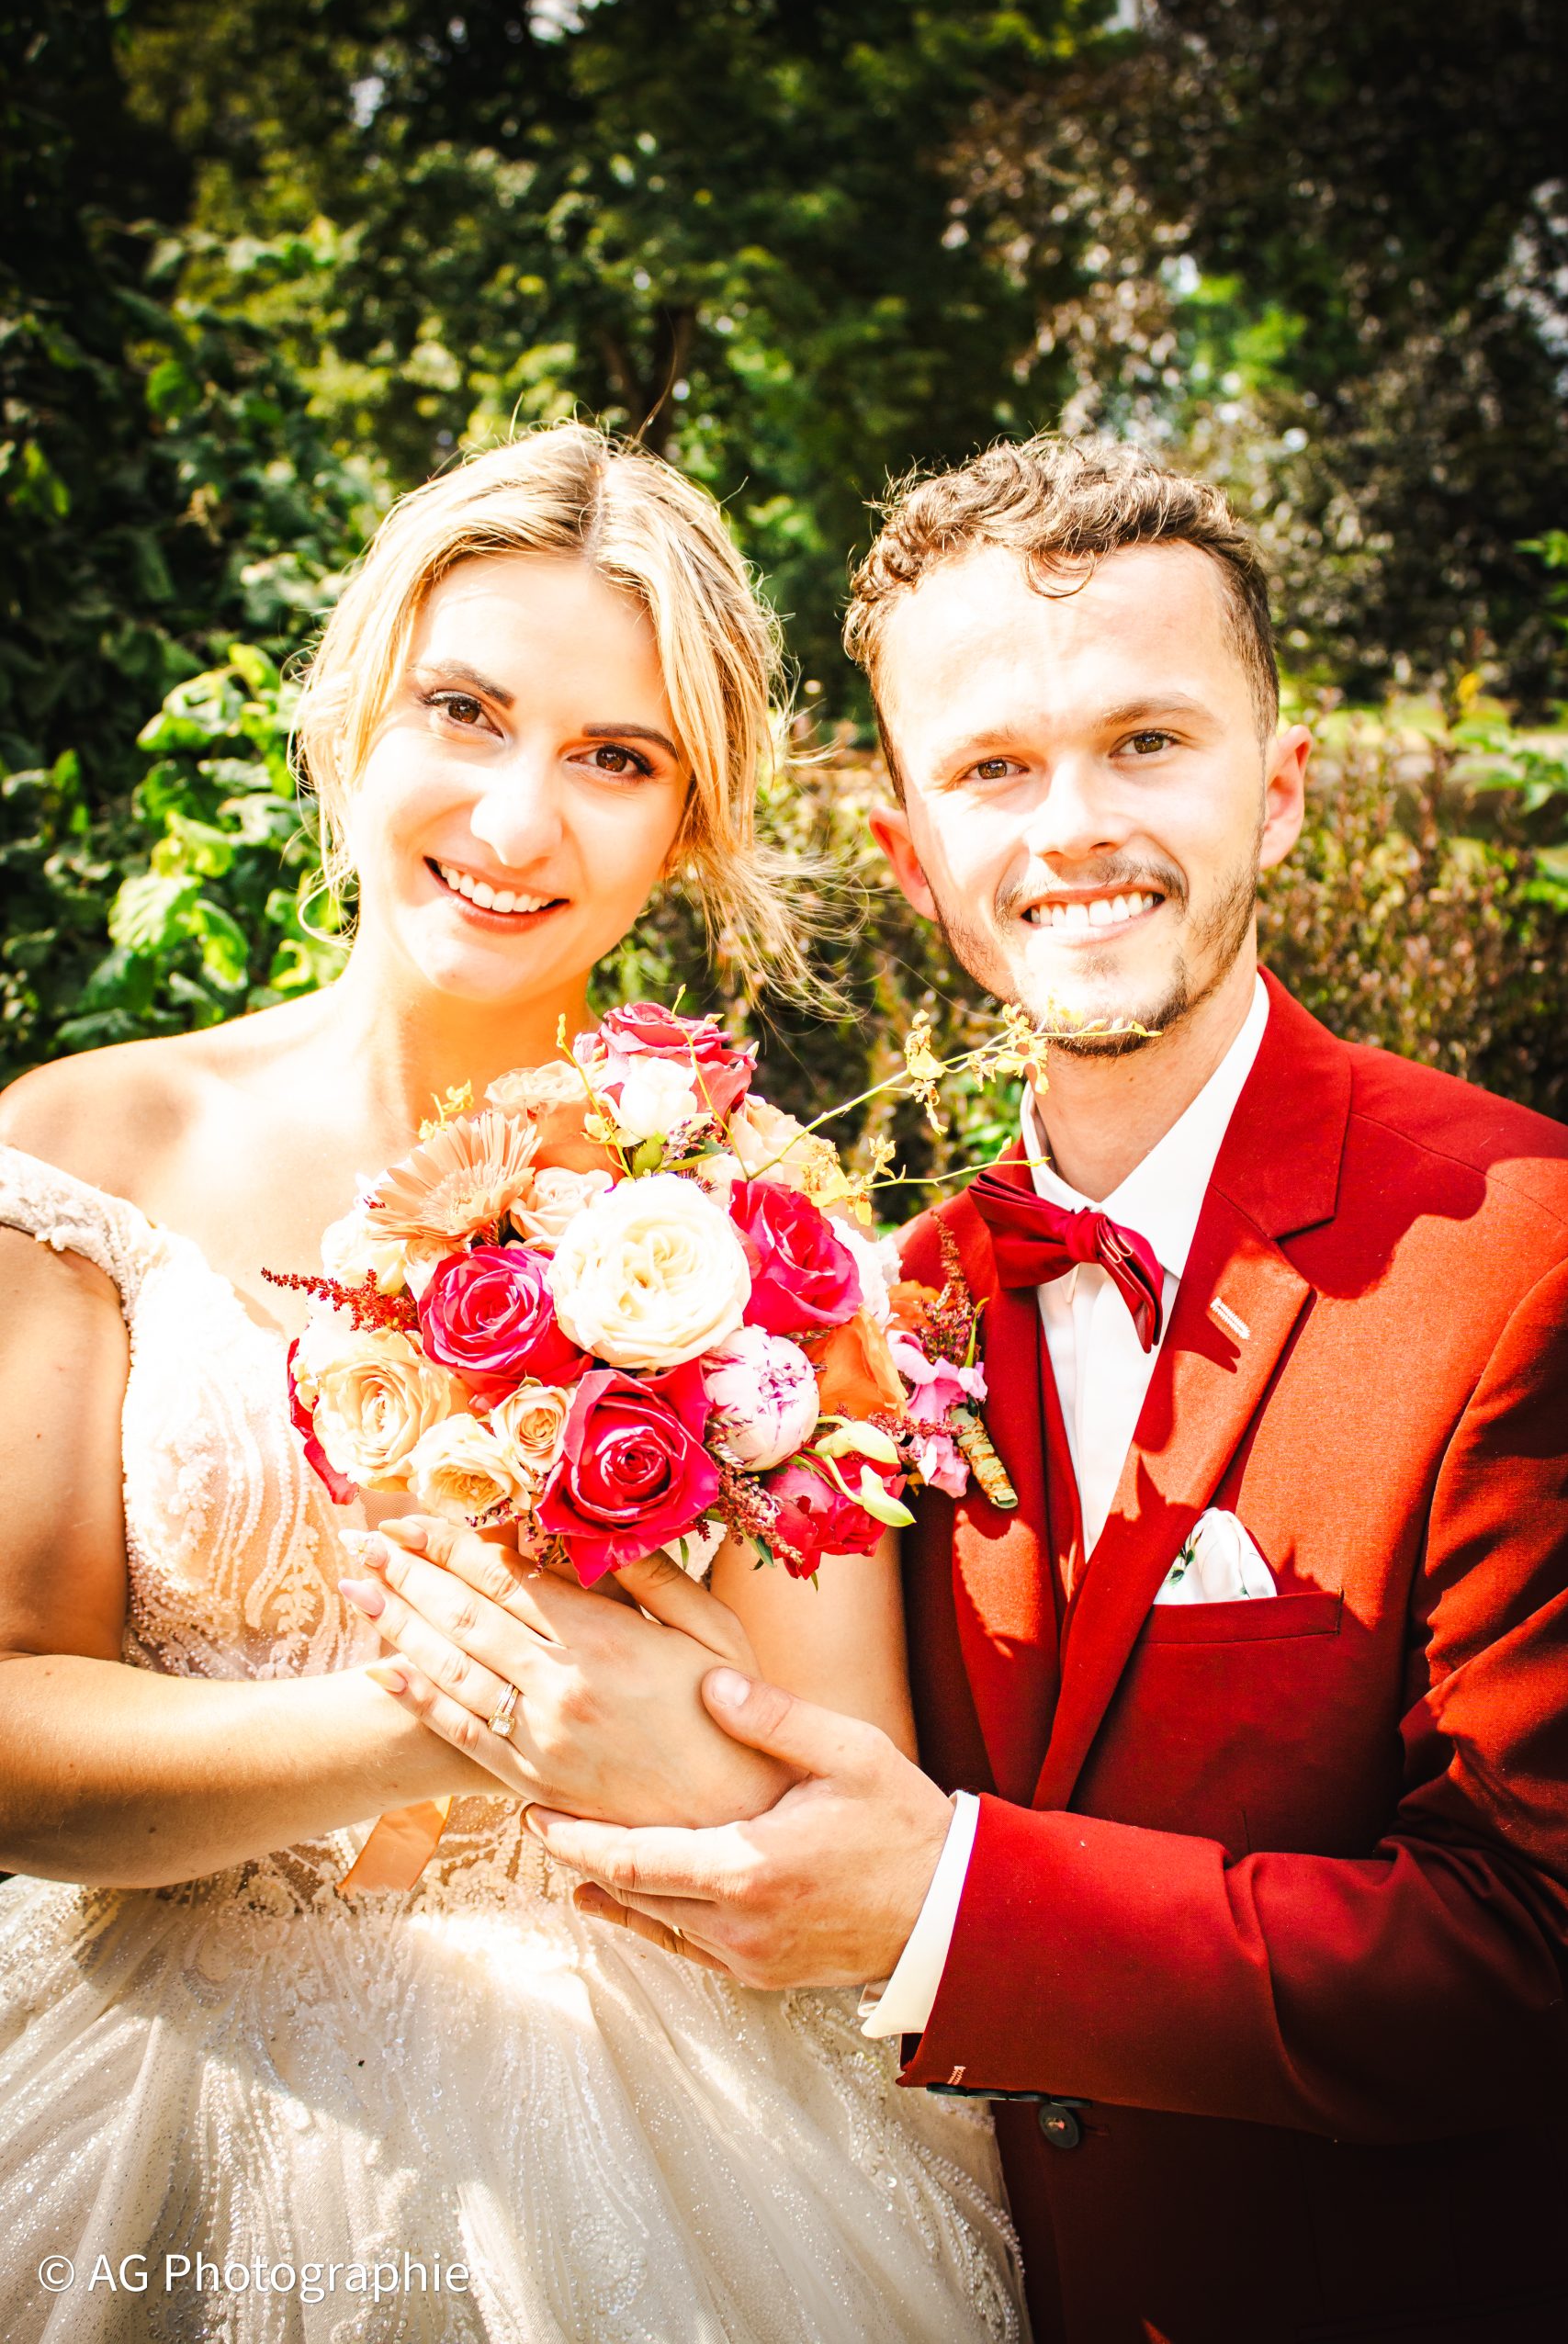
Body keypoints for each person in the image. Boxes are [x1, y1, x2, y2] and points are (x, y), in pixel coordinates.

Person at [365, 437, 1568, 2343]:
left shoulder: (1523, 1251)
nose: (1070, 828)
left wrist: (949, 1907)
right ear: (910, 854)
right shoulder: (861, 1315)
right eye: (993, 769)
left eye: (1145, 743)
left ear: (1276, 790)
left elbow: (1534, 1952)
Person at [0, 423, 1026, 2343]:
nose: (513, 819)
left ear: (690, 824)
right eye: (462, 710)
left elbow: (835, 1771)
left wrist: (619, 1731)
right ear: (355, 713)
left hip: (661, 2116)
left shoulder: (764, 1221)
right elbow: (12, 1739)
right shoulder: (80, 1151)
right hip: (141, 2081)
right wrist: (444, 1714)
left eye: (615, 758)